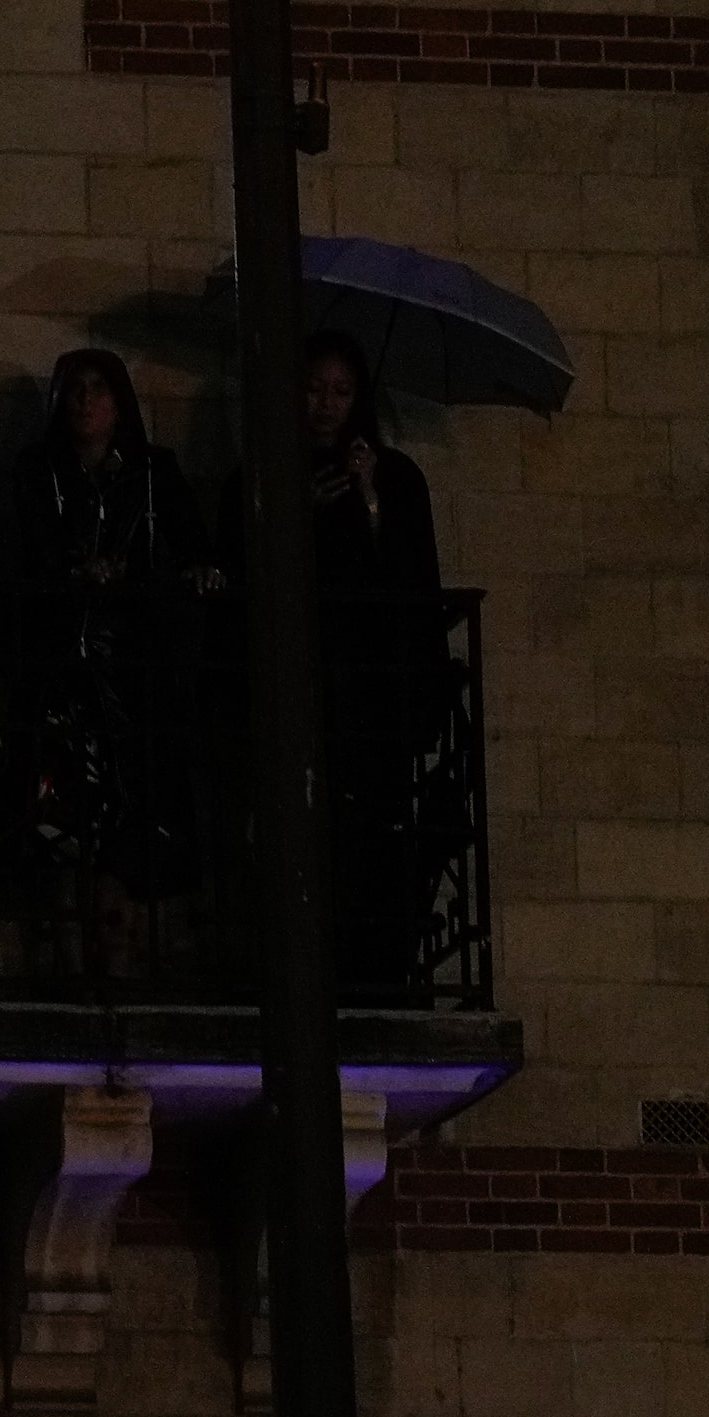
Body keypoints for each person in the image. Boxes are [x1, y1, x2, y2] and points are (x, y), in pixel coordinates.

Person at [219, 330, 444, 997]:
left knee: (367, 836)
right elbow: (245, 570)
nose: (325, 403)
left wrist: (368, 497)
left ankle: (371, 969)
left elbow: (406, 576)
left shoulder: (394, 474)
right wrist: (294, 513)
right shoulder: (262, 473)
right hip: (294, 683)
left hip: (368, 691)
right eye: (314, 388)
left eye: (340, 391)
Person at [6, 348, 216, 978]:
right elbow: (26, 558)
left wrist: (151, 575)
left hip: (135, 678)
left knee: (137, 832)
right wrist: (75, 573)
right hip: (64, 685)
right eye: (74, 389)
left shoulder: (153, 475)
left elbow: (192, 550)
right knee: (66, 836)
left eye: (99, 389)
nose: (86, 400)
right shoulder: (36, 474)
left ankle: (132, 975)